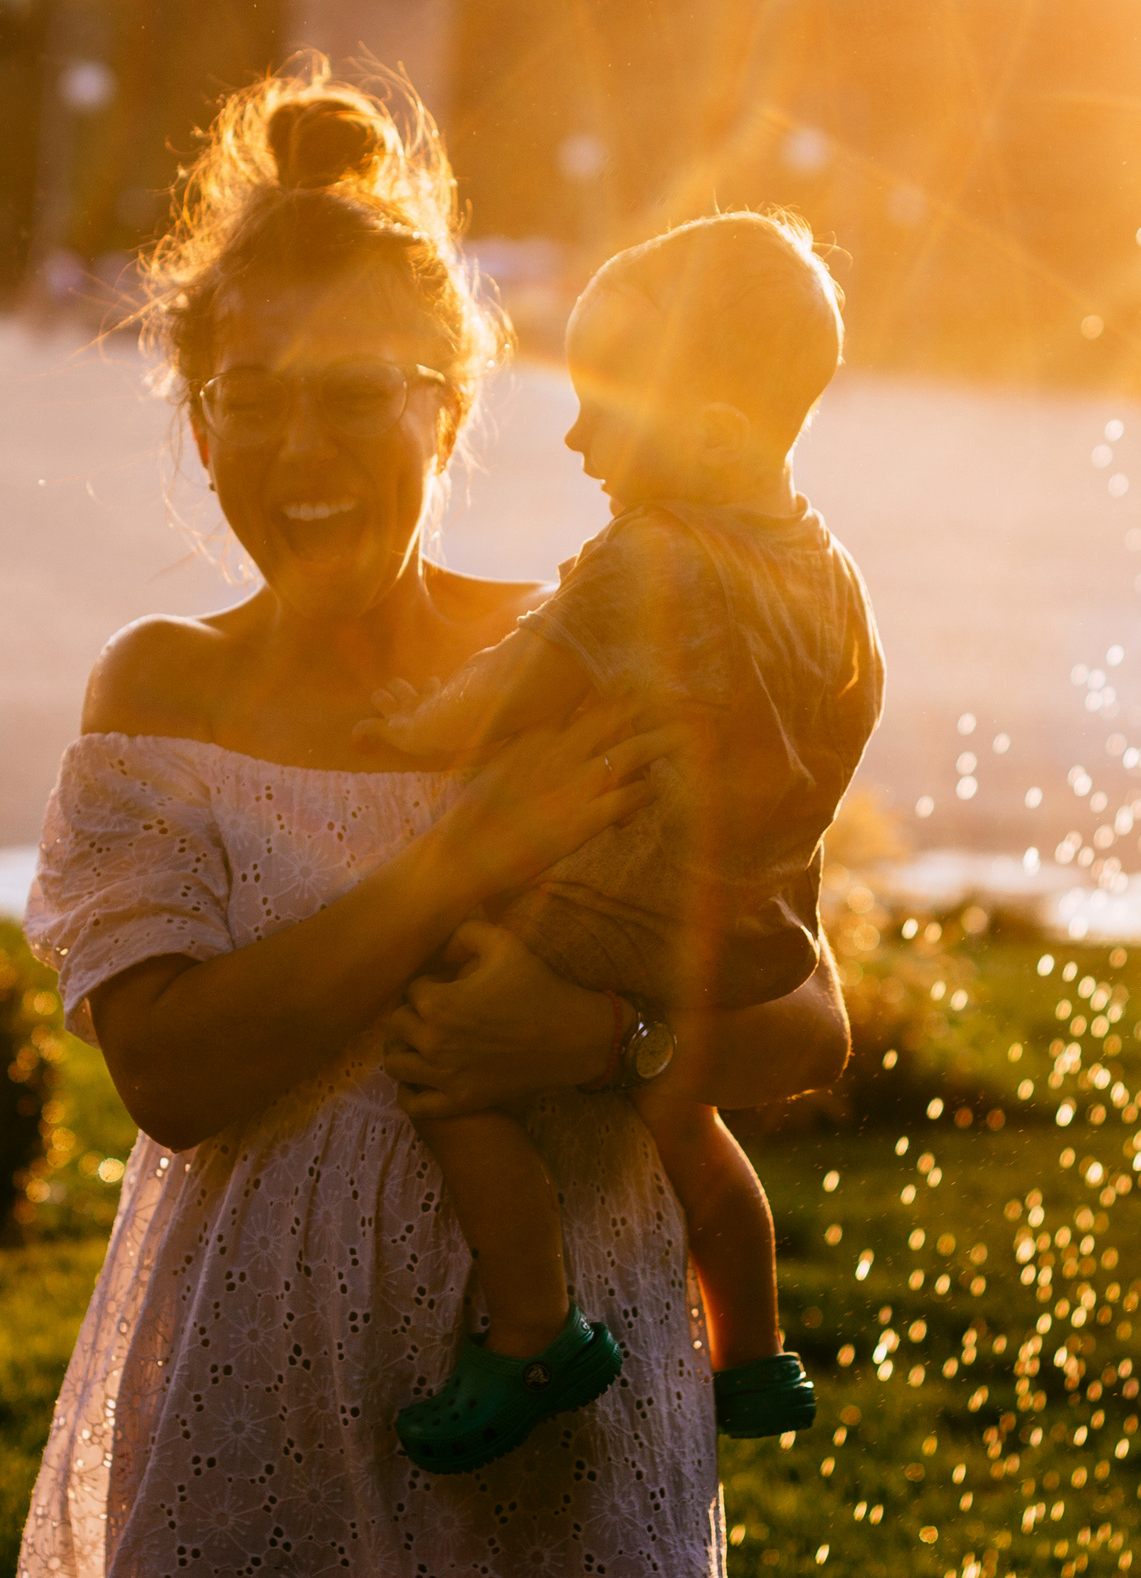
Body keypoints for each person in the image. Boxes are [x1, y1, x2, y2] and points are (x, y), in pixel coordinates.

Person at [0, 62, 852, 1578]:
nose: (301, 447)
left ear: (449, 403)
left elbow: (804, 1007)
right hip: (270, 1421)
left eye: (356, 392)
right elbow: (173, 1071)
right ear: (199, 416)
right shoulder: (161, 691)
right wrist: (459, 861)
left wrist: (586, 1045)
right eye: (255, 397)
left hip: (574, 1429)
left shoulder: (595, 648)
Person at [361, 212, 882, 1475]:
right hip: (751, 932)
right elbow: (851, 714)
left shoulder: (648, 557)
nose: (577, 434)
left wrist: (400, 721)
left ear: (707, 438)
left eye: (603, 404)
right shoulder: (833, 575)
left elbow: (510, 688)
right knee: (687, 1120)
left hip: (615, 917)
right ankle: (751, 1351)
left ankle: (534, 1325)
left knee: (451, 1068)